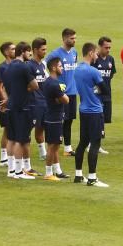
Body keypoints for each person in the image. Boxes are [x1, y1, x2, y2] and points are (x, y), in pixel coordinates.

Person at [73, 42, 110, 187]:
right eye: (95, 53)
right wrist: (97, 89)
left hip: (83, 110)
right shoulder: (93, 71)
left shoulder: (77, 70)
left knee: (82, 142)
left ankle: (78, 175)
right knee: (95, 144)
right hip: (95, 110)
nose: (96, 56)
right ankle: (92, 178)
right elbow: (105, 90)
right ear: (90, 53)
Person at [5, 41, 38, 180]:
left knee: (11, 138)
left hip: (11, 106)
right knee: (20, 140)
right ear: (23, 52)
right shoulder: (24, 67)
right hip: (22, 107)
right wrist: (26, 89)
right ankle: (19, 172)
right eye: (28, 51)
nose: (30, 54)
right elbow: (35, 85)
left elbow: (7, 86)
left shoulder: (8, 67)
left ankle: (11, 170)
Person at [47, 28, 79, 156]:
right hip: (61, 92)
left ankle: (67, 148)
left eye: (75, 38)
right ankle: (54, 145)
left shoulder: (74, 52)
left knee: (69, 119)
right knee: (60, 120)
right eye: (72, 38)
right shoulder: (55, 54)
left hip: (72, 91)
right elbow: (45, 67)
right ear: (64, 39)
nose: (74, 40)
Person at [40, 57, 70, 181]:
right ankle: (48, 173)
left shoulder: (48, 82)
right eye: (60, 66)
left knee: (55, 145)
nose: (62, 68)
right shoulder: (54, 84)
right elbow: (66, 100)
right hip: (55, 118)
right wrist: (62, 97)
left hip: (50, 116)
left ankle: (57, 171)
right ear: (53, 68)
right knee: (53, 146)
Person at [26, 38, 50, 161]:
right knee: (28, 129)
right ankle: (22, 156)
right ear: (35, 50)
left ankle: (42, 153)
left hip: (43, 101)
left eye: (45, 49)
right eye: (43, 49)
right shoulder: (29, 66)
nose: (45, 52)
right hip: (33, 103)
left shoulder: (43, 64)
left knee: (41, 127)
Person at [93, 36, 116, 153]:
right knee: (97, 119)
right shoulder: (94, 60)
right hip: (96, 95)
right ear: (100, 47)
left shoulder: (111, 59)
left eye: (109, 47)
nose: (108, 50)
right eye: (106, 47)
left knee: (104, 119)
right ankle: (94, 144)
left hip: (107, 94)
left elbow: (111, 74)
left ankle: (95, 144)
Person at [0, 41, 15, 168]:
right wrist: (6, 102)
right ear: (6, 52)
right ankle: (3, 158)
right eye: (13, 49)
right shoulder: (2, 67)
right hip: (4, 101)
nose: (15, 50)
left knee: (10, 128)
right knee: (7, 128)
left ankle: (8, 155)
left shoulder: (13, 65)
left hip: (11, 100)